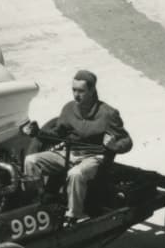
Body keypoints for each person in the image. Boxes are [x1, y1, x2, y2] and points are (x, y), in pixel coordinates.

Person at [23, 70, 132, 224]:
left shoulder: (108, 113)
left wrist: (114, 145)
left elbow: (127, 141)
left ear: (92, 90)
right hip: (68, 153)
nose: (76, 95)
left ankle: (73, 214)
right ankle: (38, 200)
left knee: (76, 174)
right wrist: (38, 133)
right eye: (74, 90)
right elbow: (56, 134)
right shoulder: (69, 108)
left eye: (81, 91)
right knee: (31, 161)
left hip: (93, 157)